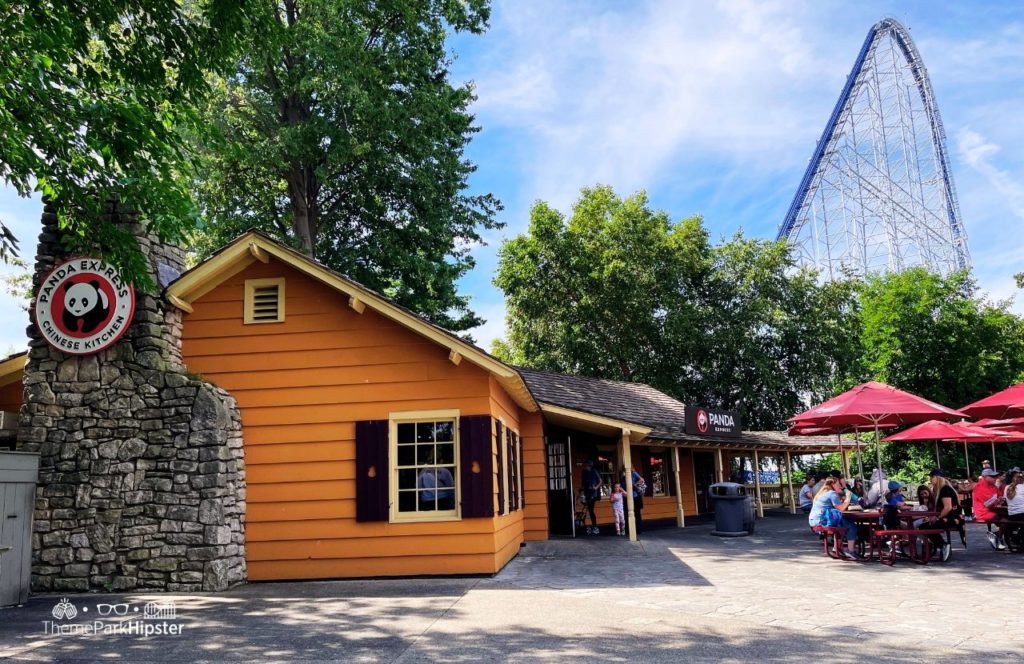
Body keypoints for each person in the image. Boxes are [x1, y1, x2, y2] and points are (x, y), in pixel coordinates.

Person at [808, 476, 861, 559]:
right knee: (850, 525)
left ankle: (837, 548)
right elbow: (841, 509)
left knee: (844, 521)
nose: (840, 486)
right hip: (822, 520)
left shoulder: (822, 492)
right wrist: (848, 498)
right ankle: (851, 551)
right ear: (832, 484)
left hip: (814, 520)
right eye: (838, 484)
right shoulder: (832, 493)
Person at [919, 469, 963, 562]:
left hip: (952, 518)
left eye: (931, 477)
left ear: (936, 477)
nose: (930, 480)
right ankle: (941, 545)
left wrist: (937, 517)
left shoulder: (945, 489)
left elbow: (948, 507)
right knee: (925, 525)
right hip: (949, 517)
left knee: (925, 526)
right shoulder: (942, 489)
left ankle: (942, 545)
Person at [973, 468, 1004, 538]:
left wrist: (1000, 499)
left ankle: (999, 535)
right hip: (983, 513)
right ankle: (997, 536)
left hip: (993, 510)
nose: (995, 478)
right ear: (984, 477)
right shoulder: (979, 487)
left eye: (996, 476)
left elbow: (1000, 496)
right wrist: (998, 500)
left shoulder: (993, 486)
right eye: (992, 477)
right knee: (1005, 521)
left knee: (1009, 518)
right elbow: (988, 504)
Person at [581, 460, 603, 535]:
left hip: (593, 493)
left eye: (587, 465)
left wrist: (596, 488)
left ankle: (595, 526)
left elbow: (600, 481)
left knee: (590, 509)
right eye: (585, 465)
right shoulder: (584, 472)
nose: (585, 466)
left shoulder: (594, 471)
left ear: (589, 465)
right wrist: (582, 492)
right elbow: (583, 483)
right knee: (588, 509)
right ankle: (589, 526)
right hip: (586, 493)